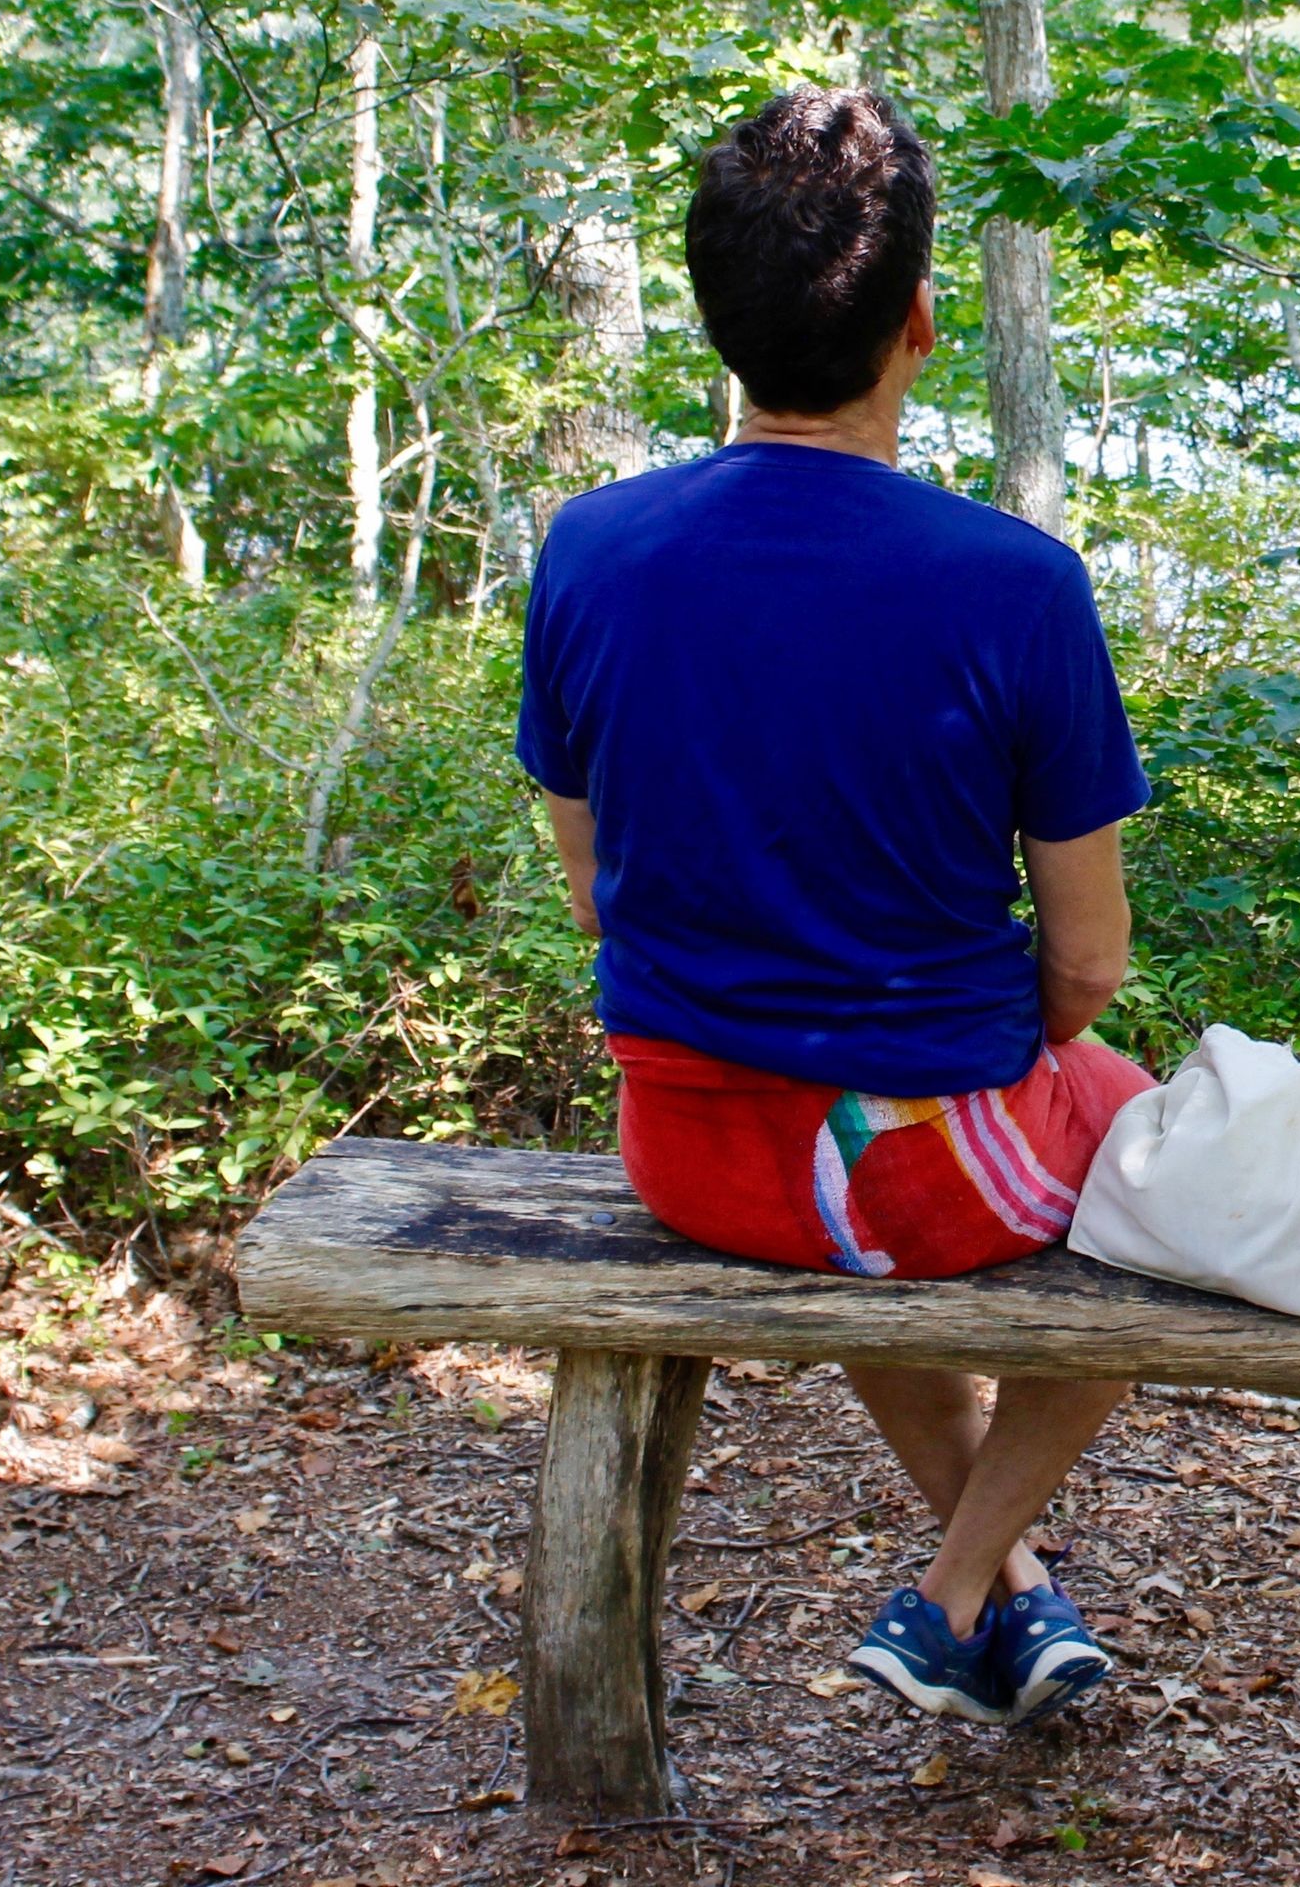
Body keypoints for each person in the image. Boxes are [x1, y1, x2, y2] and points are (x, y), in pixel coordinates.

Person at [514, 84, 1154, 1728]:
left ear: (717, 325)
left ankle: (1015, 1598)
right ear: (922, 327)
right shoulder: (1013, 582)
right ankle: (948, 1599)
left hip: (689, 1152)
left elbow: (598, 897)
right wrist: (962, 1032)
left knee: (873, 1143)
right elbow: (1086, 965)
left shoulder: (590, 550)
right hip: (897, 1185)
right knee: (1162, 1167)